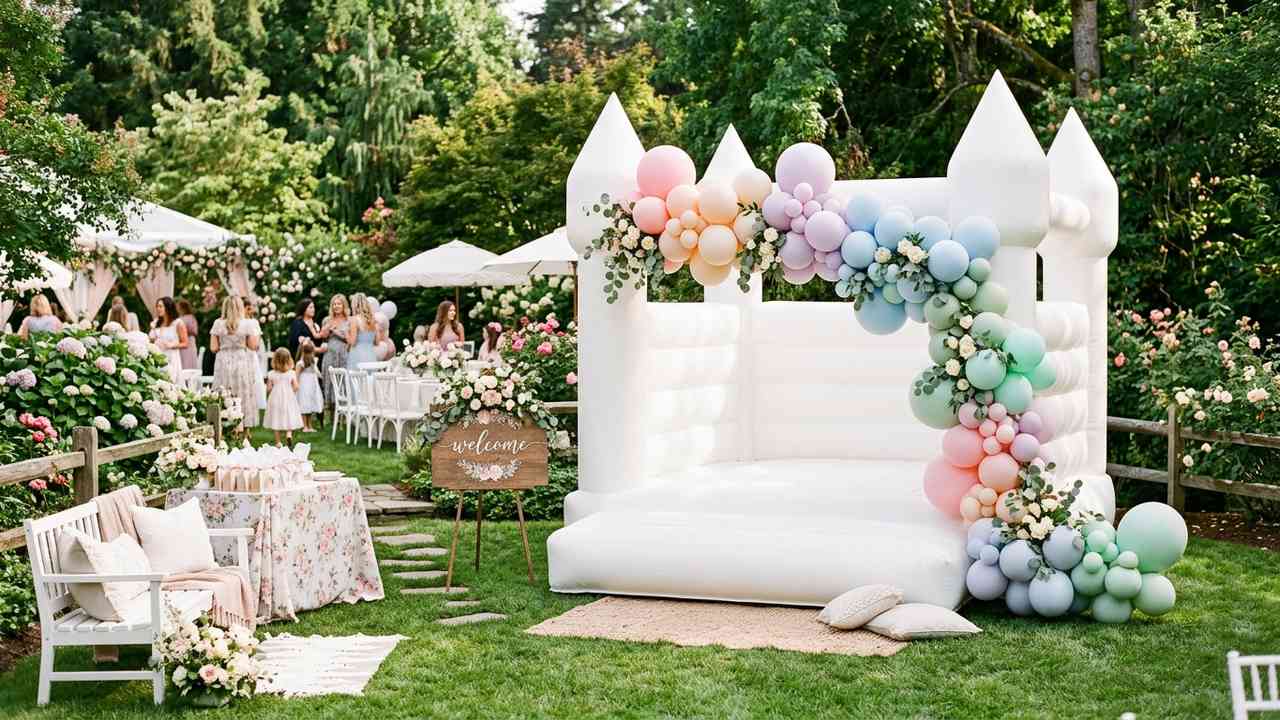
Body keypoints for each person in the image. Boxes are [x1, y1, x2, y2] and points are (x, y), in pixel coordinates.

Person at [210, 296, 262, 430]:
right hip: (241, 359)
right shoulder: (248, 324)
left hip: (223, 360)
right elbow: (253, 346)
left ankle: (225, 426)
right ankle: (244, 429)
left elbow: (213, 348)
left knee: (224, 391)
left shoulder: (217, 323)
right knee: (243, 392)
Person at [264, 347, 303, 446]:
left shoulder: (271, 374)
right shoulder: (291, 373)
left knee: (276, 418)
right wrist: (290, 392)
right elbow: (296, 387)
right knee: (288, 416)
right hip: (288, 397)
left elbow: (268, 388)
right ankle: (289, 434)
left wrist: (269, 393)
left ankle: (278, 442)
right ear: (289, 360)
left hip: (275, 398)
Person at [149, 297, 190, 383]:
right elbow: (151, 339)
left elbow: (185, 343)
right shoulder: (156, 323)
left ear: (168, 307)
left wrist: (171, 345)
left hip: (171, 357)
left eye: (160, 306)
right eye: (157, 306)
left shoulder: (178, 323)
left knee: (171, 381)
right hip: (158, 357)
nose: (158, 309)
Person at [319, 294, 350, 408]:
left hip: (343, 354)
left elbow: (349, 340)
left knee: (343, 381)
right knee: (330, 381)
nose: (336, 306)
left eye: (339, 304)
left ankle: (344, 414)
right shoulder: (327, 320)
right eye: (334, 304)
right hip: (330, 354)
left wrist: (336, 332)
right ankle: (332, 415)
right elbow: (323, 337)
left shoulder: (348, 320)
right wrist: (327, 329)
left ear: (343, 305)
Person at [296, 339, 324, 432]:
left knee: (310, 404)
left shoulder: (313, 362)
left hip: (312, 386)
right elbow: (297, 375)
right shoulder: (300, 363)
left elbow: (317, 373)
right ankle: (304, 426)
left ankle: (310, 425)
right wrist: (296, 385)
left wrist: (322, 376)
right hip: (304, 386)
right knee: (304, 405)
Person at [244, 300, 267, 413]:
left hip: (250, 353)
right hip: (240, 353)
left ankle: (253, 404)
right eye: (247, 308)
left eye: (250, 308)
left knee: (252, 378)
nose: (250, 310)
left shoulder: (253, 322)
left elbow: (256, 343)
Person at [345, 292, 379, 369]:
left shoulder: (354, 320)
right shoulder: (373, 320)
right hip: (371, 357)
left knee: (356, 380)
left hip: (357, 357)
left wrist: (346, 333)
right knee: (369, 380)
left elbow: (352, 342)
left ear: (354, 305)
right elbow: (377, 342)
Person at [177, 299, 199, 370]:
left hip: (189, 342)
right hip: (181, 342)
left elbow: (194, 331)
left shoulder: (190, 317)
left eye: (178, 307)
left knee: (188, 361)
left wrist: (183, 331)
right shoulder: (180, 318)